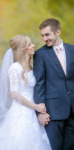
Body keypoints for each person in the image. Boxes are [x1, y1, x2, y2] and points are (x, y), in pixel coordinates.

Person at [0, 35, 51, 150]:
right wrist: (35, 106)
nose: (33, 46)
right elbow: (15, 94)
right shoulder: (15, 68)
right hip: (21, 112)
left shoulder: (31, 67)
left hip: (34, 111)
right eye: (30, 44)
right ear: (23, 49)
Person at [33, 18, 74, 150]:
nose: (45, 39)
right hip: (53, 112)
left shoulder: (72, 50)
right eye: (43, 35)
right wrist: (40, 112)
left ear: (58, 32)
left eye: (47, 34)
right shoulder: (40, 54)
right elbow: (39, 84)